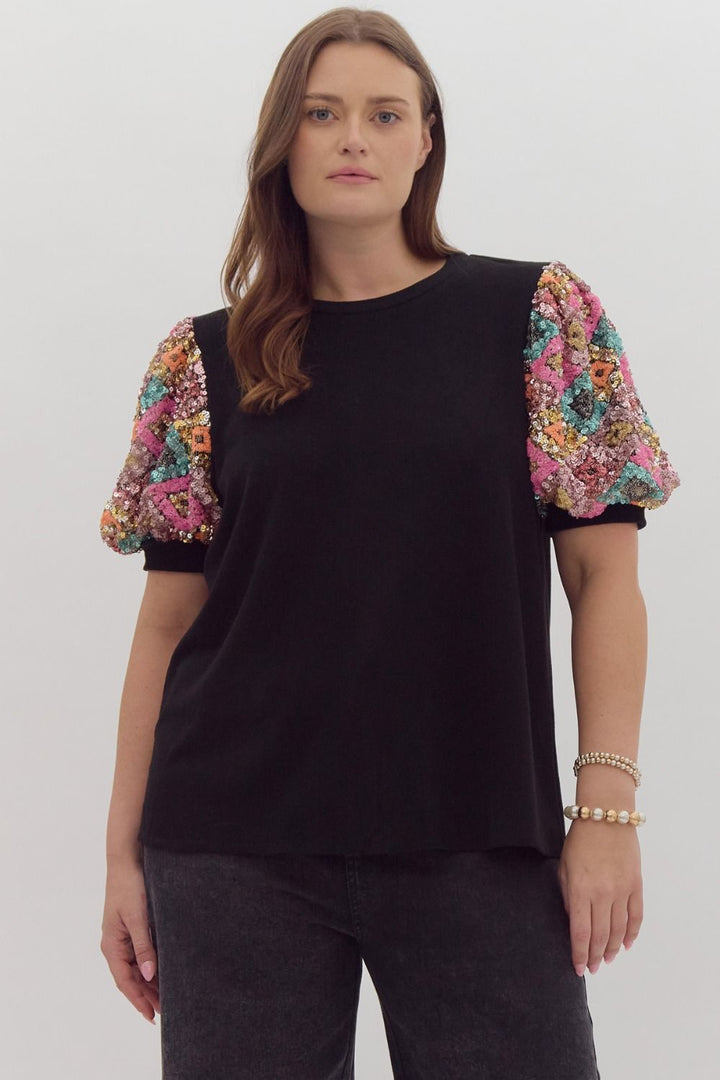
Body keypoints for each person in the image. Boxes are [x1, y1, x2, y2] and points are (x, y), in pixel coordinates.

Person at [98, 7, 680, 1079]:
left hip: (481, 838)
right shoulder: (205, 362)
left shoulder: (538, 319)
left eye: (383, 114)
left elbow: (604, 576)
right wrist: (120, 858)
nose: (353, 139)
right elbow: (167, 624)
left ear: (425, 140)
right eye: (322, 115)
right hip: (231, 848)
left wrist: (607, 808)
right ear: (283, 143)